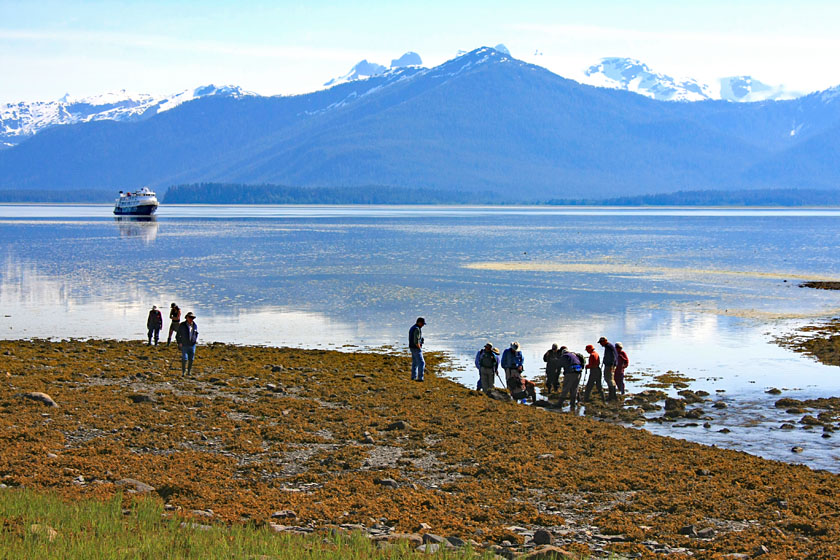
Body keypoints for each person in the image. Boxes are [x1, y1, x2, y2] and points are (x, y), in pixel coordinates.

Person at [175, 311, 199, 376]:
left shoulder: (195, 325)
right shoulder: (182, 325)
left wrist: (194, 340)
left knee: (191, 359)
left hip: (192, 345)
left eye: (192, 318)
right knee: (184, 358)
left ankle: (189, 371)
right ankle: (183, 372)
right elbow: (177, 335)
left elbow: (196, 334)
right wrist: (179, 343)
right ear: (186, 318)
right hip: (184, 345)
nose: (191, 319)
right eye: (190, 317)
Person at [599, 336, 618, 402]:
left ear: (605, 341)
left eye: (601, 342)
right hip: (610, 365)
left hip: (609, 365)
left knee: (609, 379)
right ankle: (613, 395)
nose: (601, 344)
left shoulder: (608, 347)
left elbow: (612, 357)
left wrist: (611, 365)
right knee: (610, 379)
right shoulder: (610, 346)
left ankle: (612, 396)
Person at [408, 317, 426, 382]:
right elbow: (416, 340)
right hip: (416, 348)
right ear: (419, 322)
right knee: (421, 363)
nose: (423, 325)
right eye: (422, 323)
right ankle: (420, 378)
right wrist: (419, 347)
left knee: (415, 362)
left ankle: (413, 377)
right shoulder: (417, 329)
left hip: (412, 347)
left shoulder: (412, 327)